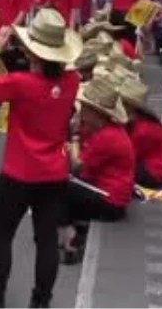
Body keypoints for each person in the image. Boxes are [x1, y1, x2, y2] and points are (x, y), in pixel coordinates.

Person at [0, 9, 82, 309]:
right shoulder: (71, 81)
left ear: (33, 50)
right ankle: (41, 302)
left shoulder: (20, 83)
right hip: (53, 173)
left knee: (2, 236)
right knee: (46, 242)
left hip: (18, 172)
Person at [61, 67, 135, 264]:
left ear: (98, 113)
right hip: (107, 191)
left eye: (85, 109)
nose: (81, 112)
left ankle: (71, 240)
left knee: (60, 187)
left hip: (110, 200)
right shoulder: (107, 130)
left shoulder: (107, 137)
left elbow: (77, 166)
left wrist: (75, 136)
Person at [118, 72, 162, 189]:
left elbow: (127, 157)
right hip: (147, 165)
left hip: (153, 172)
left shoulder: (143, 129)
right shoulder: (138, 123)